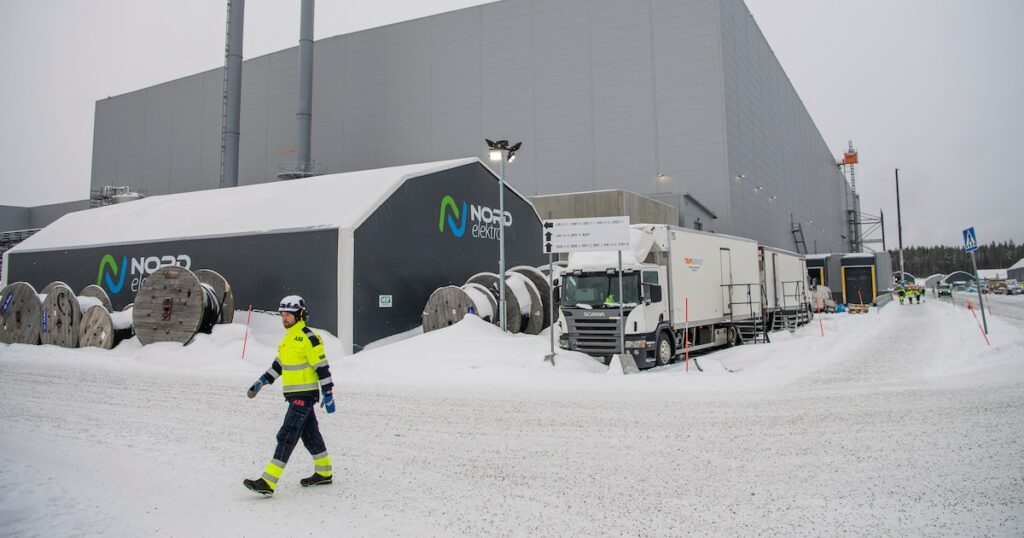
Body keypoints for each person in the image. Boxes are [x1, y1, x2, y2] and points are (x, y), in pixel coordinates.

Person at [243, 295, 335, 495]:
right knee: (310, 435)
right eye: (282, 314)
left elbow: (322, 367)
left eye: (288, 315)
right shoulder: (288, 340)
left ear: (300, 315)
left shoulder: (309, 338)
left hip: (305, 394)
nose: (284, 318)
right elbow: (279, 365)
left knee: (287, 435)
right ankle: (324, 471)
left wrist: (328, 392)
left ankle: (268, 481)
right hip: (294, 395)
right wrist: (262, 381)